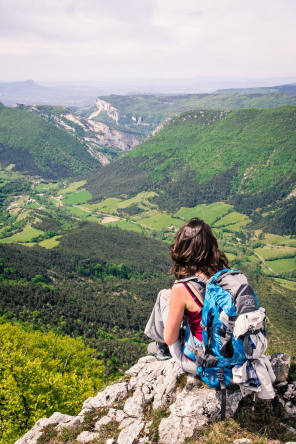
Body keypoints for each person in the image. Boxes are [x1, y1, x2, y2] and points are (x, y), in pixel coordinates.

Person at [144, 217, 229, 374]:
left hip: (202, 362)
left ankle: (161, 349)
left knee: (164, 295)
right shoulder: (228, 276)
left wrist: (176, 301)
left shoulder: (183, 288)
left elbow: (171, 338)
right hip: (233, 358)